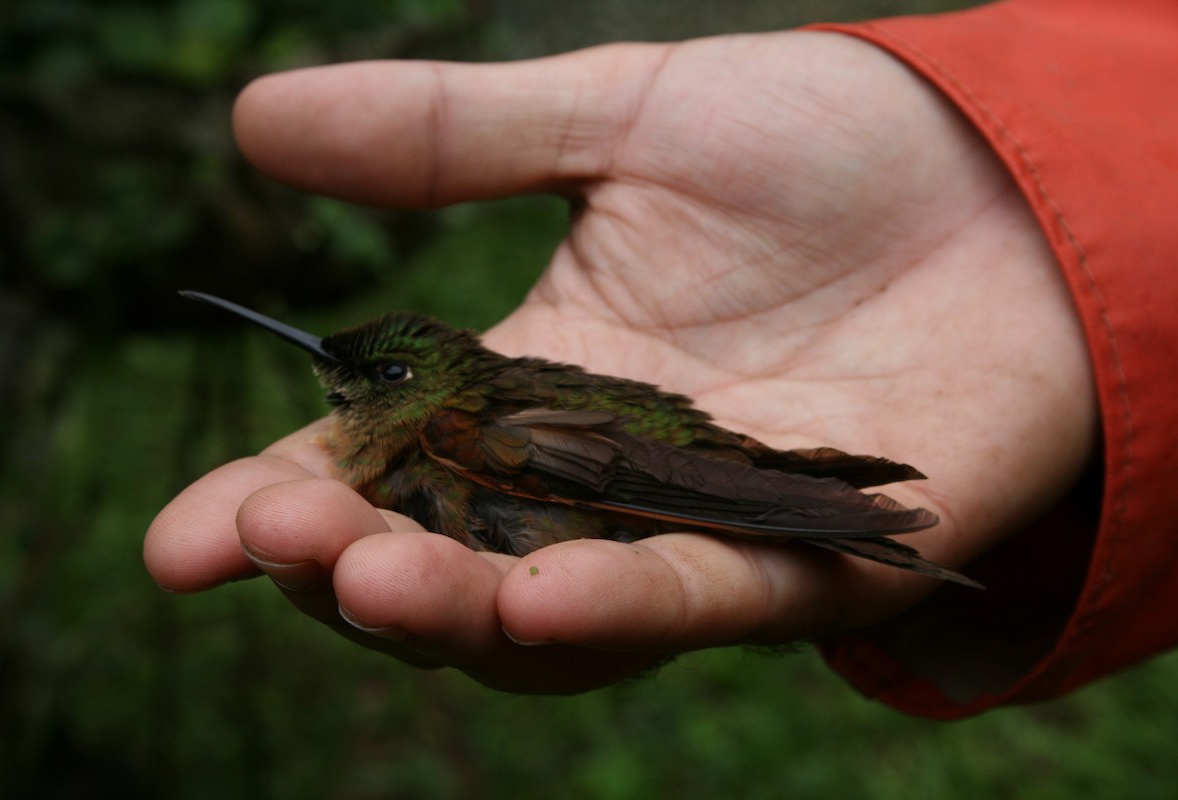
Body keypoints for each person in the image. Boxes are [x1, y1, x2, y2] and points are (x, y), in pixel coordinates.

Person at [143, 0, 1178, 717]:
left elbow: (626, 466)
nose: (355, 390)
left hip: (645, 463)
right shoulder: (441, 417)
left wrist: (787, 497)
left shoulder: (456, 431)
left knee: (711, 501)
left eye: (386, 375)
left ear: (426, 393)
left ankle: (816, 505)